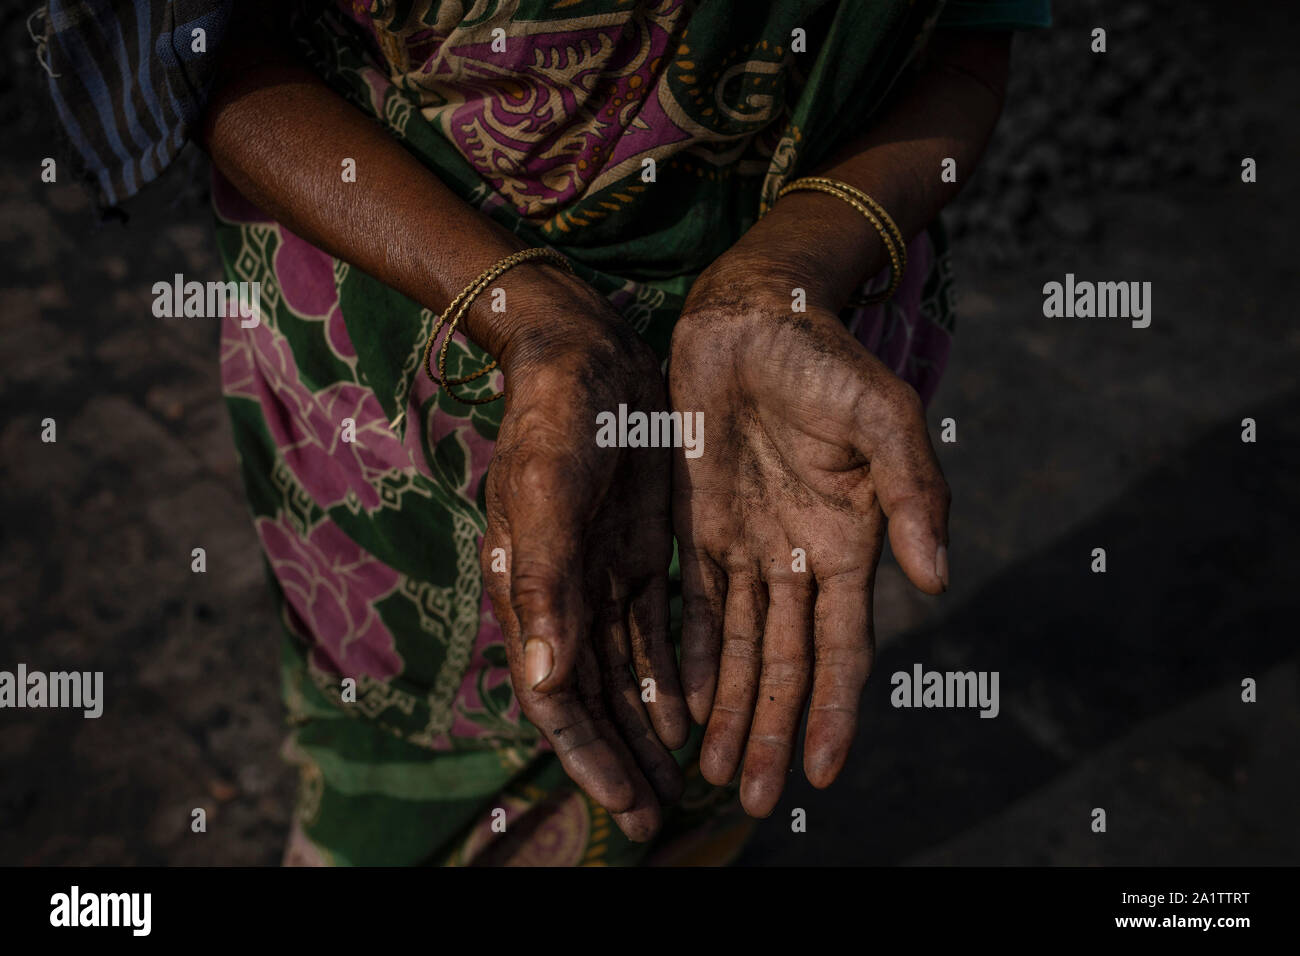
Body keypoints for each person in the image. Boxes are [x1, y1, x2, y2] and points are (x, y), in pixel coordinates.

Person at [41, 0, 1050, 865]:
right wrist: (527, 317)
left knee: (712, 707)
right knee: (422, 754)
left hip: (775, 408)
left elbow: (965, 41)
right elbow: (208, 44)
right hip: (391, 386)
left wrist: (780, 273)